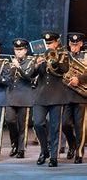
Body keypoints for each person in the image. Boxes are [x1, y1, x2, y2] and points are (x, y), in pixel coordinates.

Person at [33, 31, 69, 167]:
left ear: (57, 42)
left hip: (56, 96)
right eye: (46, 43)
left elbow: (64, 69)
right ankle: (44, 150)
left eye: (50, 43)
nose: (48, 45)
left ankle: (53, 157)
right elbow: (31, 74)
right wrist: (36, 65)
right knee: (37, 123)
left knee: (54, 128)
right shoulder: (38, 55)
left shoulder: (63, 55)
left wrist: (53, 60)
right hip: (41, 96)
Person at [6, 38, 35, 159]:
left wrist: (18, 67)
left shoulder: (30, 62)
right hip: (11, 96)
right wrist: (12, 68)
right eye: (16, 50)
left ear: (26, 50)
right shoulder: (9, 62)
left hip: (24, 97)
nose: (18, 52)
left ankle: (21, 149)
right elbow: (7, 78)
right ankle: (15, 144)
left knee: (22, 124)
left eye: (21, 50)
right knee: (10, 121)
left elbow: (29, 77)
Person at [62, 32, 87, 164]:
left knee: (79, 126)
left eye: (76, 45)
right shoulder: (65, 56)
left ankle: (79, 152)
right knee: (65, 124)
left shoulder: (86, 56)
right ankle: (72, 144)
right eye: (72, 44)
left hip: (81, 95)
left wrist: (79, 78)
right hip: (67, 95)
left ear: (81, 44)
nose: (74, 47)